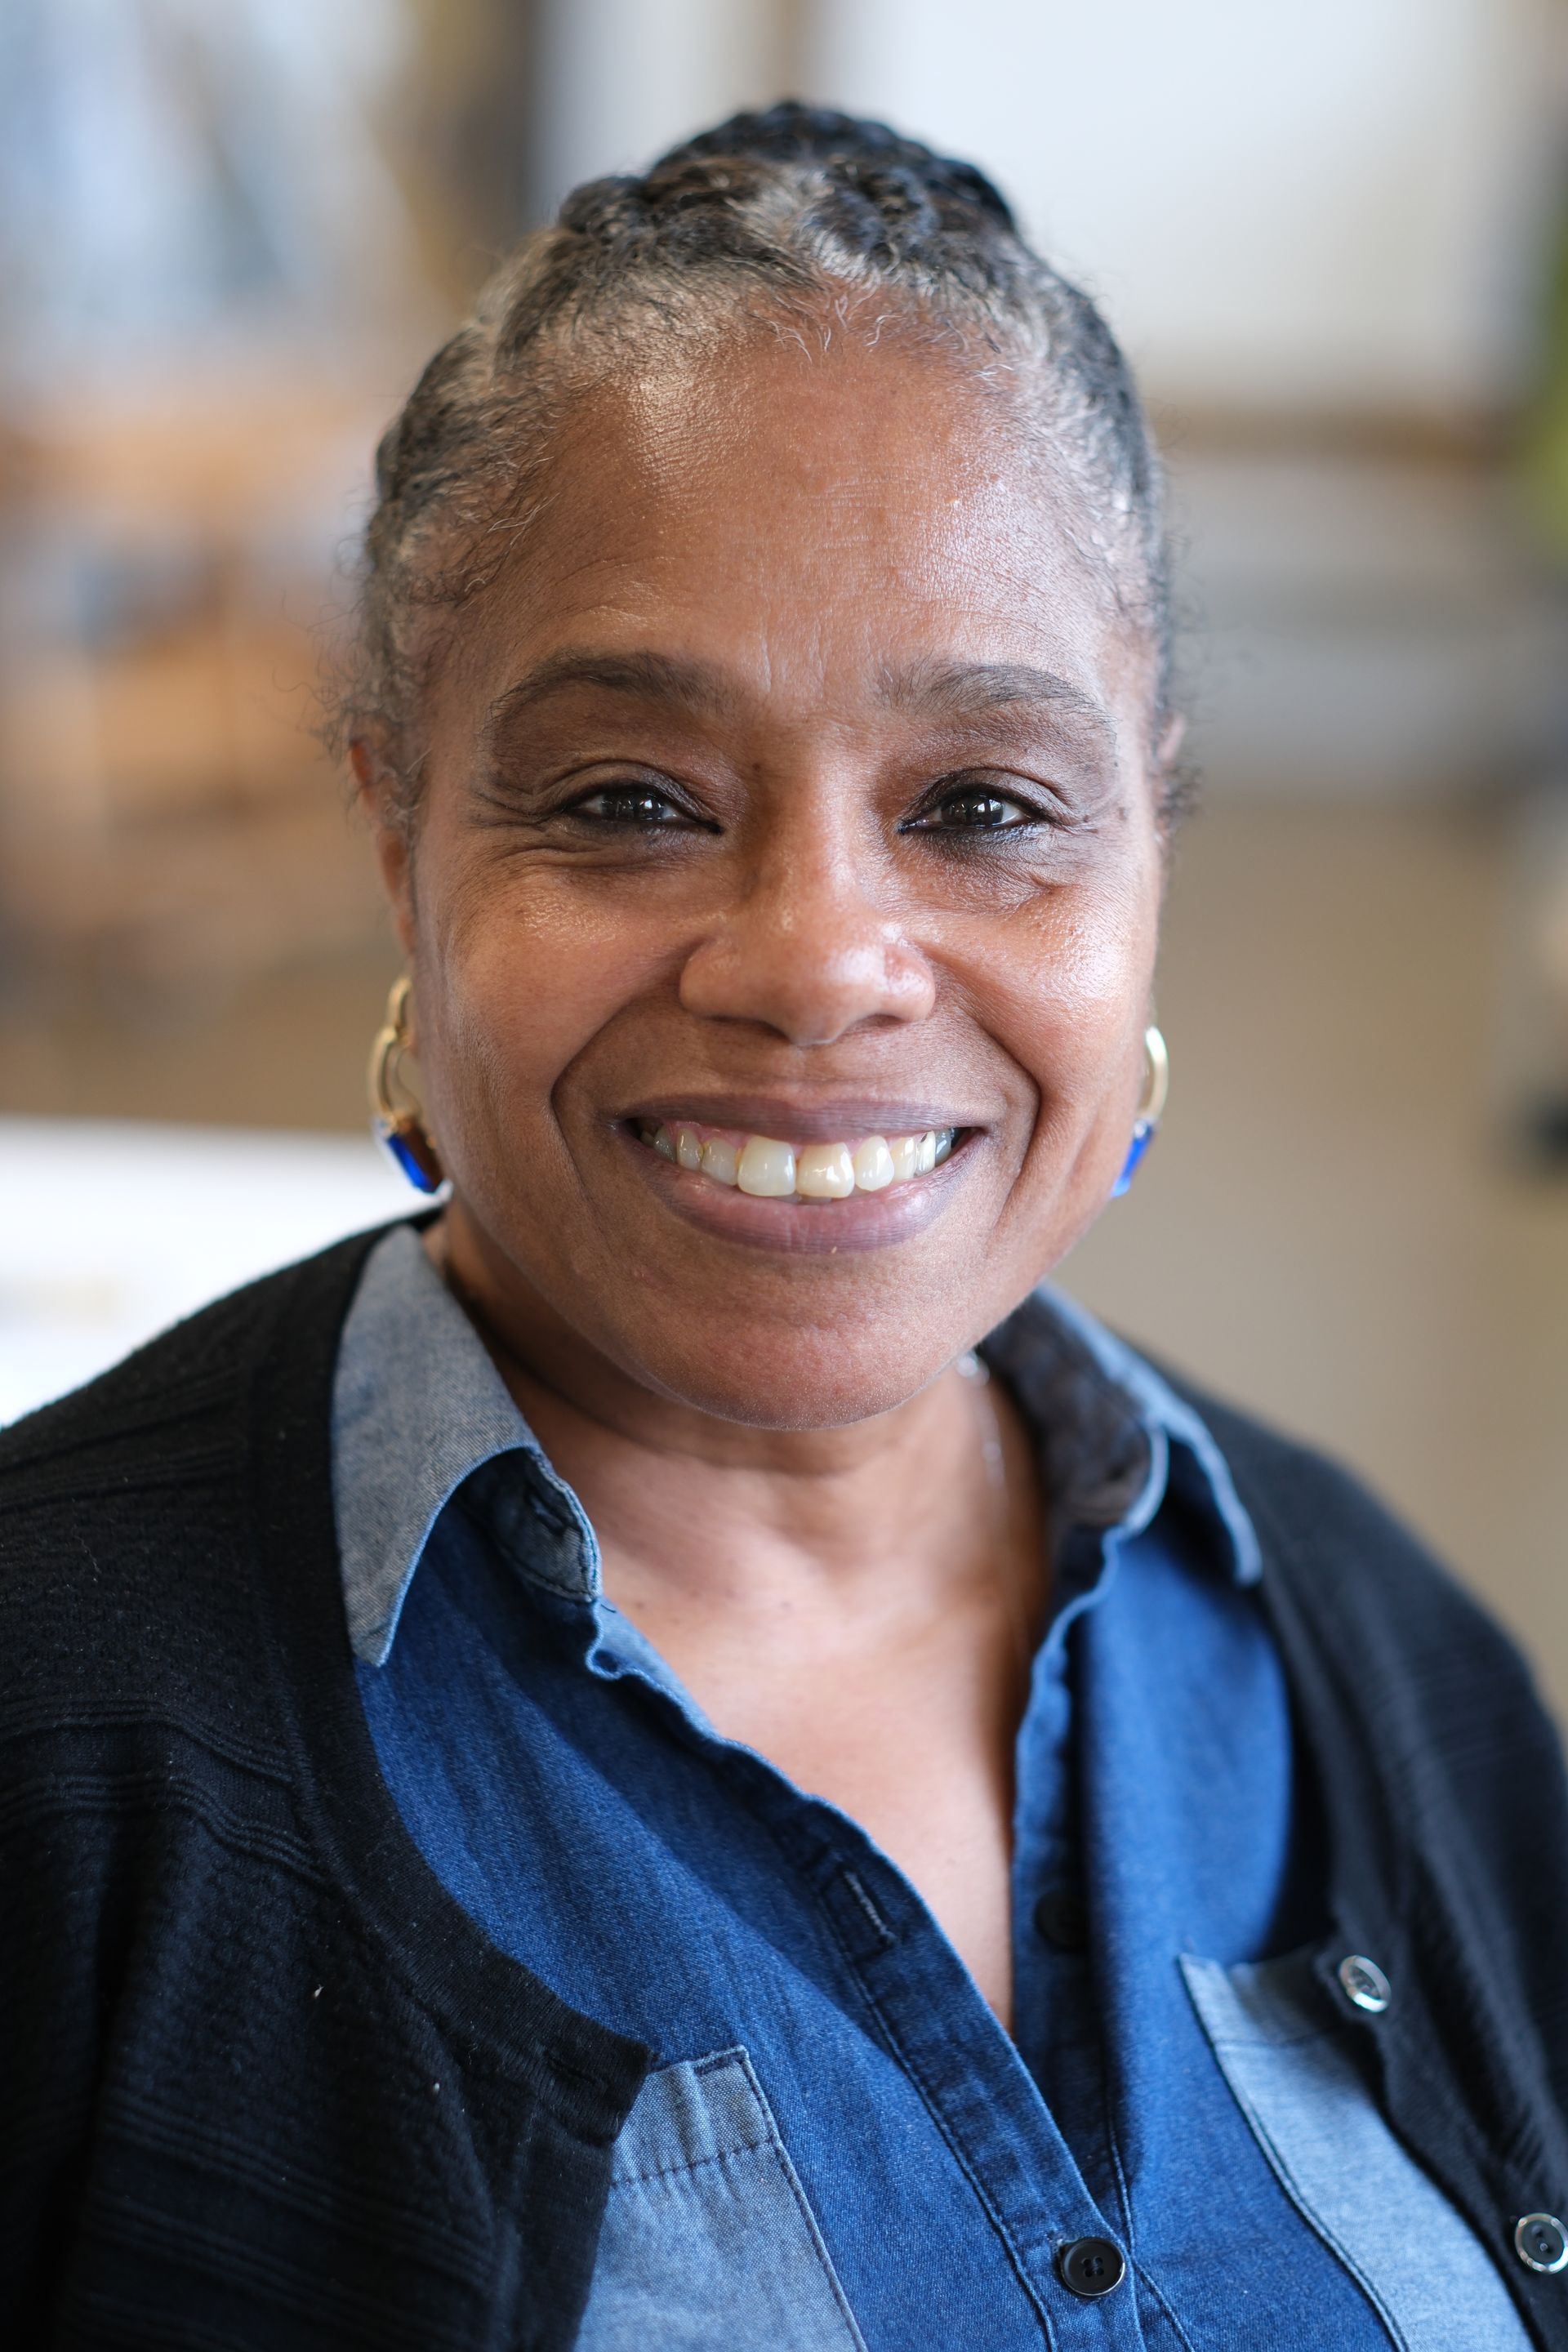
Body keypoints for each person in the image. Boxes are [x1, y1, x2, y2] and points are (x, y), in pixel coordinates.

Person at [3, 103, 1566, 2352]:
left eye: (987, 807)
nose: (821, 957)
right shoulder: (60, 1732)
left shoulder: (1381, 1657)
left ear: (1153, 845)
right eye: (632, 800)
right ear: (397, 825)